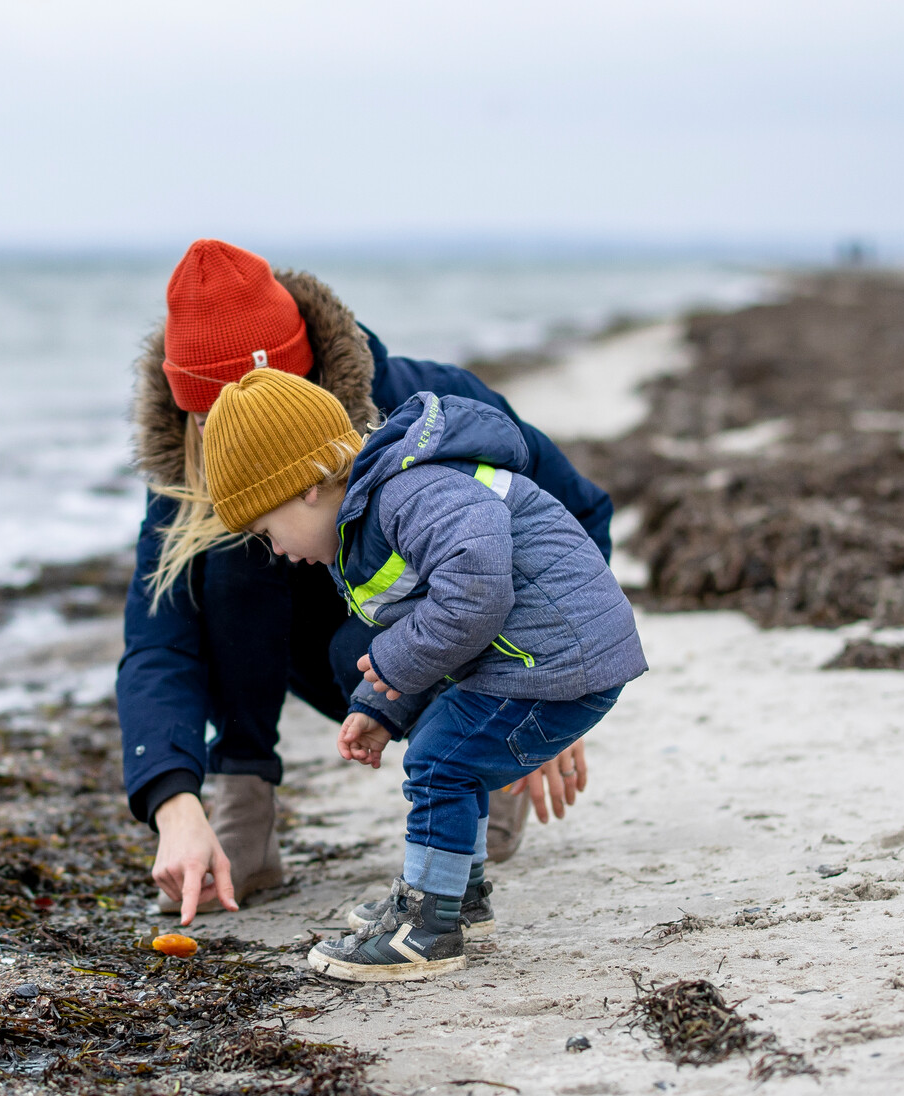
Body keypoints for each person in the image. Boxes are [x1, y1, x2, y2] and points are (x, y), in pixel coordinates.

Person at [120, 239, 616, 925]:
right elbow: (158, 643)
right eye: (214, 421)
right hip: (329, 656)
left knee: (465, 582)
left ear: (313, 375)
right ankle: (243, 799)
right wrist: (175, 803)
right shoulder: (191, 466)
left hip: (457, 639)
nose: (236, 429)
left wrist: (548, 681)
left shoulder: (429, 406)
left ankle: (485, 754)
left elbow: (576, 513)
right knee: (233, 555)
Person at [201, 368, 648, 980]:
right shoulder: (368, 521)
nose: (276, 552)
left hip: (556, 658)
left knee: (441, 759)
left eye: (266, 530)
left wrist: (390, 664)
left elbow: (475, 594)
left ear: (304, 486)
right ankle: (456, 898)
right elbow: (424, 630)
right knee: (444, 739)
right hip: (532, 655)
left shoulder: (410, 494)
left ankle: (428, 928)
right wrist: (379, 704)